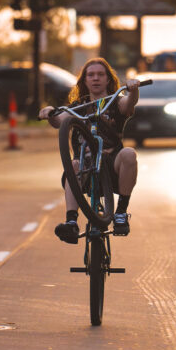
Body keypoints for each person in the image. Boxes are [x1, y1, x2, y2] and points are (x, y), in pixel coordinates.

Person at [38, 57, 141, 244]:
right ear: (84, 80)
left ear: (108, 79)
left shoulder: (116, 102)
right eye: (91, 75)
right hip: (83, 168)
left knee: (129, 154)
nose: (95, 78)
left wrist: (133, 90)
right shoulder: (77, 107)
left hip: (112, 166)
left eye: (100, 74)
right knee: (74, 164)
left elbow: (129, 103)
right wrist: (50, 112)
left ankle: (120, 213)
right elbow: (59, 121)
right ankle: (71, 222)